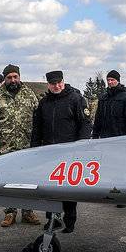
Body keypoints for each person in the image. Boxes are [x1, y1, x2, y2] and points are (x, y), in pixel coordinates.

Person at [31, 70, 92, 232]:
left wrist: (81, 145)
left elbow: (85, 124)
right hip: (49, 153)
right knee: (50, 189)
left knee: (68, 189)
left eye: (59, 83)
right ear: (48, 85)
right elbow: (37, 128)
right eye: (53, 84)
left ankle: (69, 220)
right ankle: (53, 219)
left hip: (69, 153)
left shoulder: (76, 99)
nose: (57, 86)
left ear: (63, 82)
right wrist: (34, 149)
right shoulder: (44, 103)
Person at [0, 64, 41, 227]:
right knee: (8, 181)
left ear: (19, 77)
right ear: (5, 79)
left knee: (28, 181)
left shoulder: (29, 94)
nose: (13, 80)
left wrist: (39, 144)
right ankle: (10, 212)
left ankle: (28, 212)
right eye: (9, 77)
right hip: (5, 148)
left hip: (27, 147)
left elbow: (38, 119)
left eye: (15, 77)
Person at [92, 70, 126, 138]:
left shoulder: (125, 97)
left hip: (121, 137)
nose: (109, 82)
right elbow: (98, 119)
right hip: (105, 137)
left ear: (118, 81)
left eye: (112, 80)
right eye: (108, 80)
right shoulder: (103, 98)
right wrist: (95, 135)